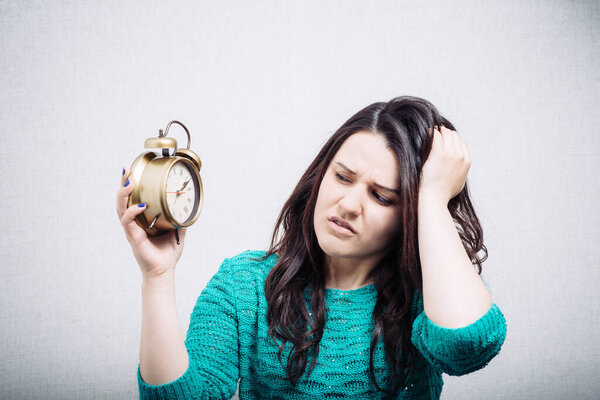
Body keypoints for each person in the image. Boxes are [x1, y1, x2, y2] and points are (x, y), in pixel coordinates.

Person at [116, 96, 507, 399]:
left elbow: (466, 346)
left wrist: (435, 196)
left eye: (382, 196)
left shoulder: (427, 295)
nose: (350, 205)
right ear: (320, 176)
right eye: (342, 177)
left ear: (410, 213)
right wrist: (157, 276)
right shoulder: (244, 284)